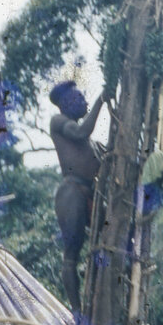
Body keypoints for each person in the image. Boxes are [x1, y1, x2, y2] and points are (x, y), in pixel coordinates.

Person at [49, 80, 112, 312]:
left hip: (90, 195)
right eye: (80, 98)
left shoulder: (91, 143)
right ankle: (76, 311)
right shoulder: (59, 122)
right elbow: (82, 131)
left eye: (86, 97)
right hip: (72, 192)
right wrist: (101, 100)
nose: (85, 100)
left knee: (110, 235)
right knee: (71, 253)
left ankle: (94, 282)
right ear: (66, 103)